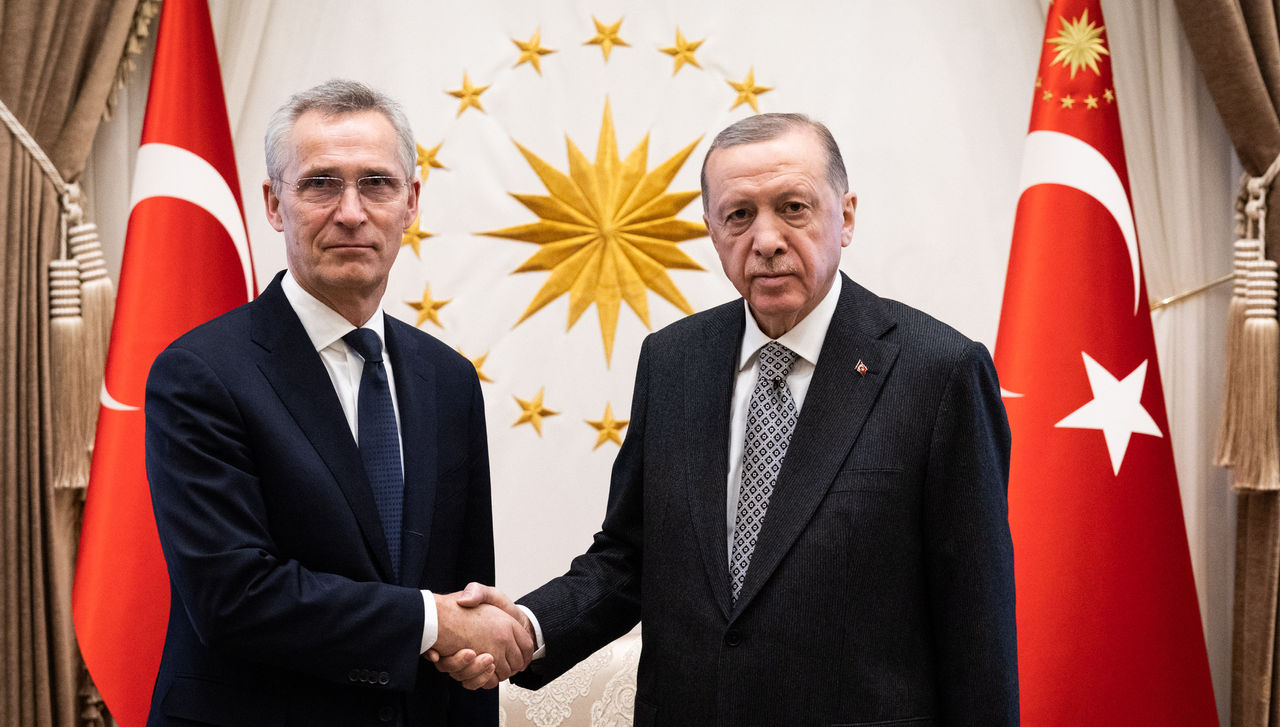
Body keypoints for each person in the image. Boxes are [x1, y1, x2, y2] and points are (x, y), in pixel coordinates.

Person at [434, 113, 1019, 725]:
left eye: (793, 207)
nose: (765, 239)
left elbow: (975, 619)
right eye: (739, 215)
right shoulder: (673, 361)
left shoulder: (941, 371)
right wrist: (527, 628)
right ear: (712, 230)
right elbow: (629, 556)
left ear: (844, 217)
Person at [144, 79, 532, 727]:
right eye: (321, 183)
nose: (351, 211)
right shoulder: (199, 373)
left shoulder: (449, 378)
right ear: (274, 204)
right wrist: (432, 621)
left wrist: (462, 642)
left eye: (376, 183)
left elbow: (462, 600)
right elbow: (233, 597)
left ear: (410, 203)